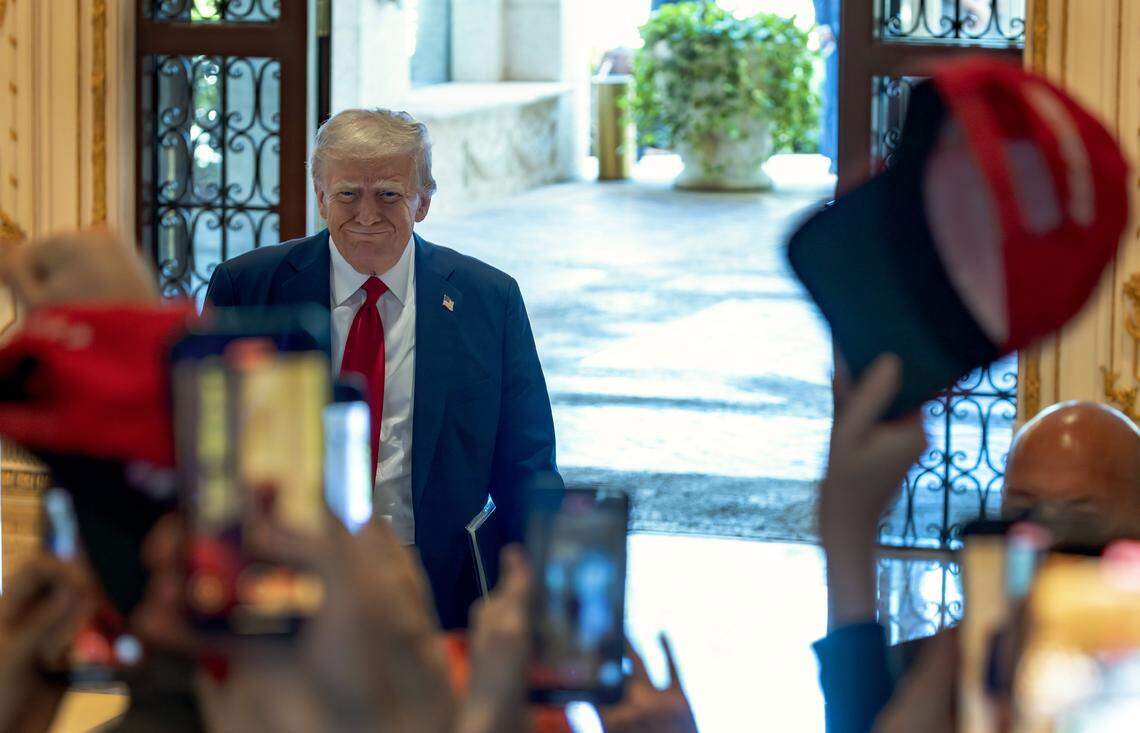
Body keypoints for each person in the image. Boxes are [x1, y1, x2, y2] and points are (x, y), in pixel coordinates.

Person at [204, 109, 559, 629]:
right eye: (348, 193)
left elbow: (528, 464)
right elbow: (210, 448)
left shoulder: (488, 299)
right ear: (320, 196)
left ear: (423, 201)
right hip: (287, 575)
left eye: (389, 194)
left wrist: (546, 597)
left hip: (438, 583)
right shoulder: (248, 289)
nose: (366, 214)